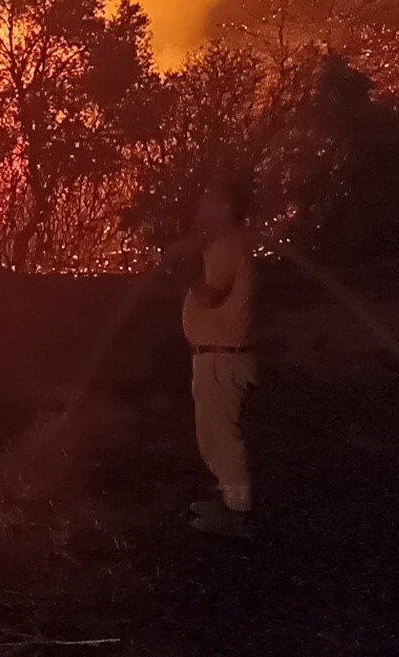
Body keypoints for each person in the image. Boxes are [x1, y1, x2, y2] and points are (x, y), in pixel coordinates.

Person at [167, 181, 257, 538]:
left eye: (210, 200)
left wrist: (182, 268)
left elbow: (210, 296)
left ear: (225, 207)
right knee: (213, 435)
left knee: (222, 437)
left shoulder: (226, 246)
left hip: (220, 360)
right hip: (214, 358)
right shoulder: (223, 245)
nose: (202, 205)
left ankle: (237, 514)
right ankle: (228, 500)